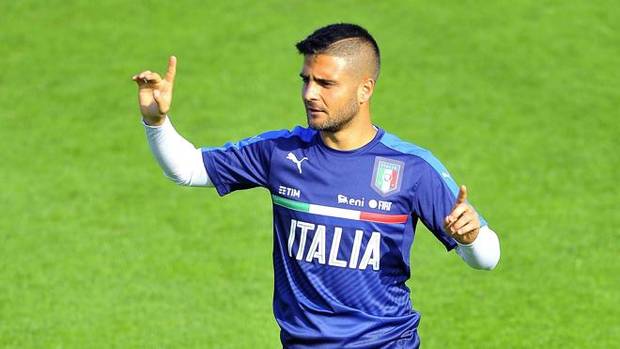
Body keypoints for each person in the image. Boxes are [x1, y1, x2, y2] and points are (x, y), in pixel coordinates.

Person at [132, 23, 500, 349]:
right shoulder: (281, 152)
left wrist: (470, 240)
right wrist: (157, 122)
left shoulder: (411, 167)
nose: (310, 93)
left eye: (326, 83)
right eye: (306, 80)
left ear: (364, 89)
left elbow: (487, 258)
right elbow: (187, 169)